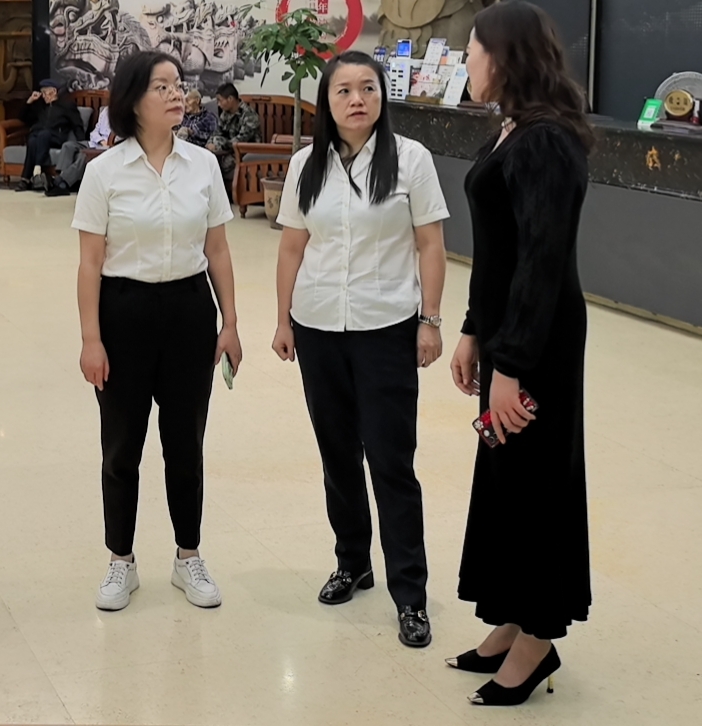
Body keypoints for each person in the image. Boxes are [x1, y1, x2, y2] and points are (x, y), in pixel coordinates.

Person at [271, 52, 449, 650]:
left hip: (386, 327)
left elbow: (430, 244)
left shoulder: (411, 160)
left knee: (392, 461)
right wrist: (283, 320)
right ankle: (352, 561)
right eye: (343, 90)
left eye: (367, 88)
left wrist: (430, 321)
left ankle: (411, 594)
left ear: (381, 96)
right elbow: (292, 247)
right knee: (337, 454)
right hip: (318, 324)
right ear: (326, 102)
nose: (356, 100)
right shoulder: (306, 164)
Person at [446, 0, 593, 707]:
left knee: (534, 481)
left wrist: (510, 363)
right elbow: (498, 250)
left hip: (536, 342)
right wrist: (474, 328)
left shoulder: (545, 142)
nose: (465, 62)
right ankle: (510, 615)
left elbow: (539, 261)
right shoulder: (514, 129)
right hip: (507, 331)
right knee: (505, 475)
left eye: (471, 50)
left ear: (502, 56)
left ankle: (538, 637)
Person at [73, 51, 244, 612]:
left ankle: (187, 556)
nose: (176, 94)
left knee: (185, 442)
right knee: (121, 446)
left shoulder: (202, 165)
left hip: (189, 311)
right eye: (161, 86)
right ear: (132, 99)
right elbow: (89, 263)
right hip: (123, 312)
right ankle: (120, 560)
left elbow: (218, 250)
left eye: (178, 84)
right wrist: (91, 339)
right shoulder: (104, 172)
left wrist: (230, 322)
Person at [19, 77, 87, 195]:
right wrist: (29, 101)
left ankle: (38, 170)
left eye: (45, 92)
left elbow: (77, 125)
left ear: (54, 91)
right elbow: (23, 118)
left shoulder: (66, 106)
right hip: (39, 136)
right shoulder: (40, 106)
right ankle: (25, 179)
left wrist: (82, 143)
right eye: (42, 93)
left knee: (43, 135)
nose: (43, 96)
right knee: (32, 140)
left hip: (56, 136)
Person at [205, 82, 262, 188]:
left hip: (246, 153)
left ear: (230, 99)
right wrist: (209, 144)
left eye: (220, 100)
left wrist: (219, 145)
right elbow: (217, 132)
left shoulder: (249, 115)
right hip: (229, 150)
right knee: (207, 159)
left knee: (219, 164)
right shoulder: (225, 114)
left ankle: (219, 191)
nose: (218, 104)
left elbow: (241, 140)